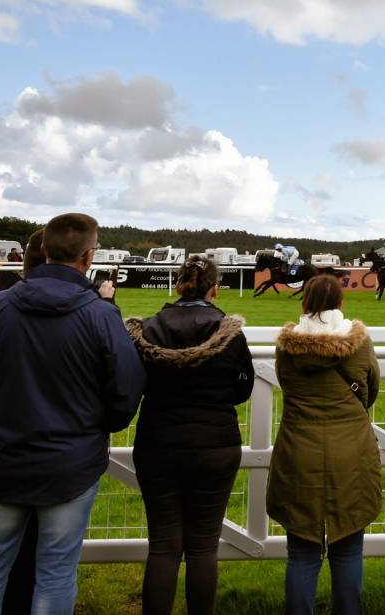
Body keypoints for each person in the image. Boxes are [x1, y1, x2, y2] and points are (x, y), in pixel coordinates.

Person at [0, 212, 147, 614]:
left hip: (6, 458)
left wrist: (1, 426)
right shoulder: (101, 314)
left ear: (43, 249)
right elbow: (126, 394)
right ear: (88, 258)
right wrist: (91, 431)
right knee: (55, 574)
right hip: (70, 464)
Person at [126, 255, 255, 615]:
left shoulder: (147, 329)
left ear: (178, 284)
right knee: (202, 547)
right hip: (214, 445)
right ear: (214, 289)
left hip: (157, 444)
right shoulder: (227, 332)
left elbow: (135, 383)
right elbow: (242, 388)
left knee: (164, 546)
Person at [267, 275, 381, 615]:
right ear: (340, 303)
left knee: (302, 553)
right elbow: (370, 389)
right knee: (347, 550)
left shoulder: (287, 347)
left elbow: (285, 384)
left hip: (298, 451)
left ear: (305, 302)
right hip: (351, 453)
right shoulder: (360, 343)